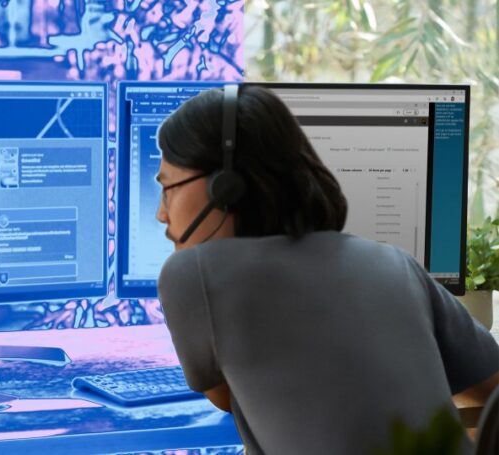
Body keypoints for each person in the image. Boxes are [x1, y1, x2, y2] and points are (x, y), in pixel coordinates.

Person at [155, 85, 499, 455]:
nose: (162, 212)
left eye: (168, 188)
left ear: (225, 187)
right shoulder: (393, 262)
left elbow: (226, 397)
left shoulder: (192, 274)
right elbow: (492, 386)